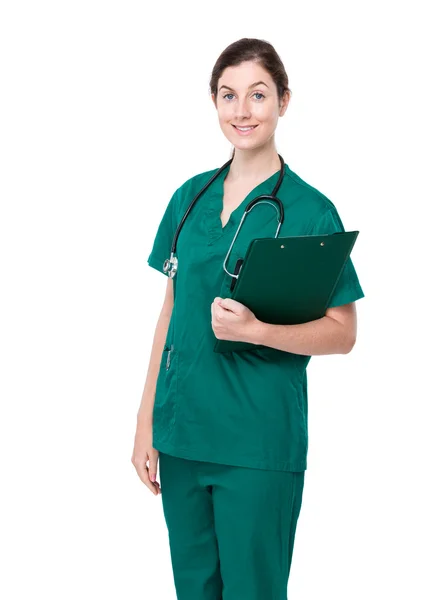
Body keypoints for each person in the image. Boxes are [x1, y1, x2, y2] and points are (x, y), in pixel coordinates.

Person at [132, 37, 365, 600]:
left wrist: (256, 331)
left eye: (257, 95)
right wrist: (146, 421)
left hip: (257, 445)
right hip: (183, 436)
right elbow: (171, 310)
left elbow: (343, 333)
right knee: (195, 592)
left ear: (283, 102)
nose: (242, 110)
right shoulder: (189, 198)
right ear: (213, 103)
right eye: (228, 95)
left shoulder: (311, 210)